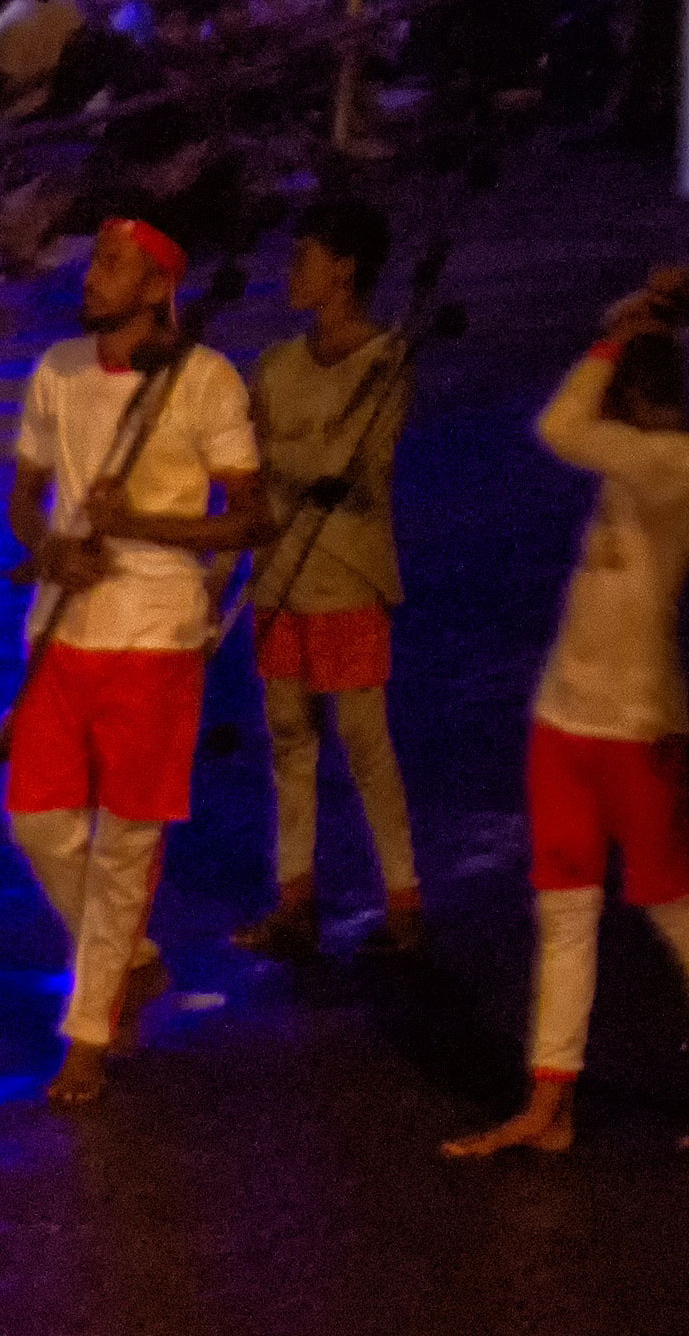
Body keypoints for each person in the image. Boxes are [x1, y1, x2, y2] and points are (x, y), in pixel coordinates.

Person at [444, 280, 689, 1162]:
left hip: (633, 727)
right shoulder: (640, 462)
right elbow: (571, 425)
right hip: (567, 721)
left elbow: (558, 427)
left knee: (679, 915)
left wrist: (612, 337)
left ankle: (551, 1104)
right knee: (568, 915)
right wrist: (623, 327)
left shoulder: (675, 468)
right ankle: (549, 1102)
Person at [7, 215, 255, 1106]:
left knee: (125, 843)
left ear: (158, 289)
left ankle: (88, 1032)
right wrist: (49, 551)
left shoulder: (205, 379)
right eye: (97, 259)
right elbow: (26, 499)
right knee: (38, 821)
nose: (94, 275)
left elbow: (250, 518)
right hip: (64, 625)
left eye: (116, 265)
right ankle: (131, 961)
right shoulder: (57, 370)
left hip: (157, 629)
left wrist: (136, 526)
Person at [241, 198, 421, 962]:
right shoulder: (277, 366)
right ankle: (296, 897)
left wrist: (286, 461)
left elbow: (358, 470)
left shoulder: (385, 363)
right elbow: (254, 478)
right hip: (280, 571)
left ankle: (405, 902)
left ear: (342, 268)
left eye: (305, 255)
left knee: (361, 737)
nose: (293, 270)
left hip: (345, 572)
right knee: (289, 738)